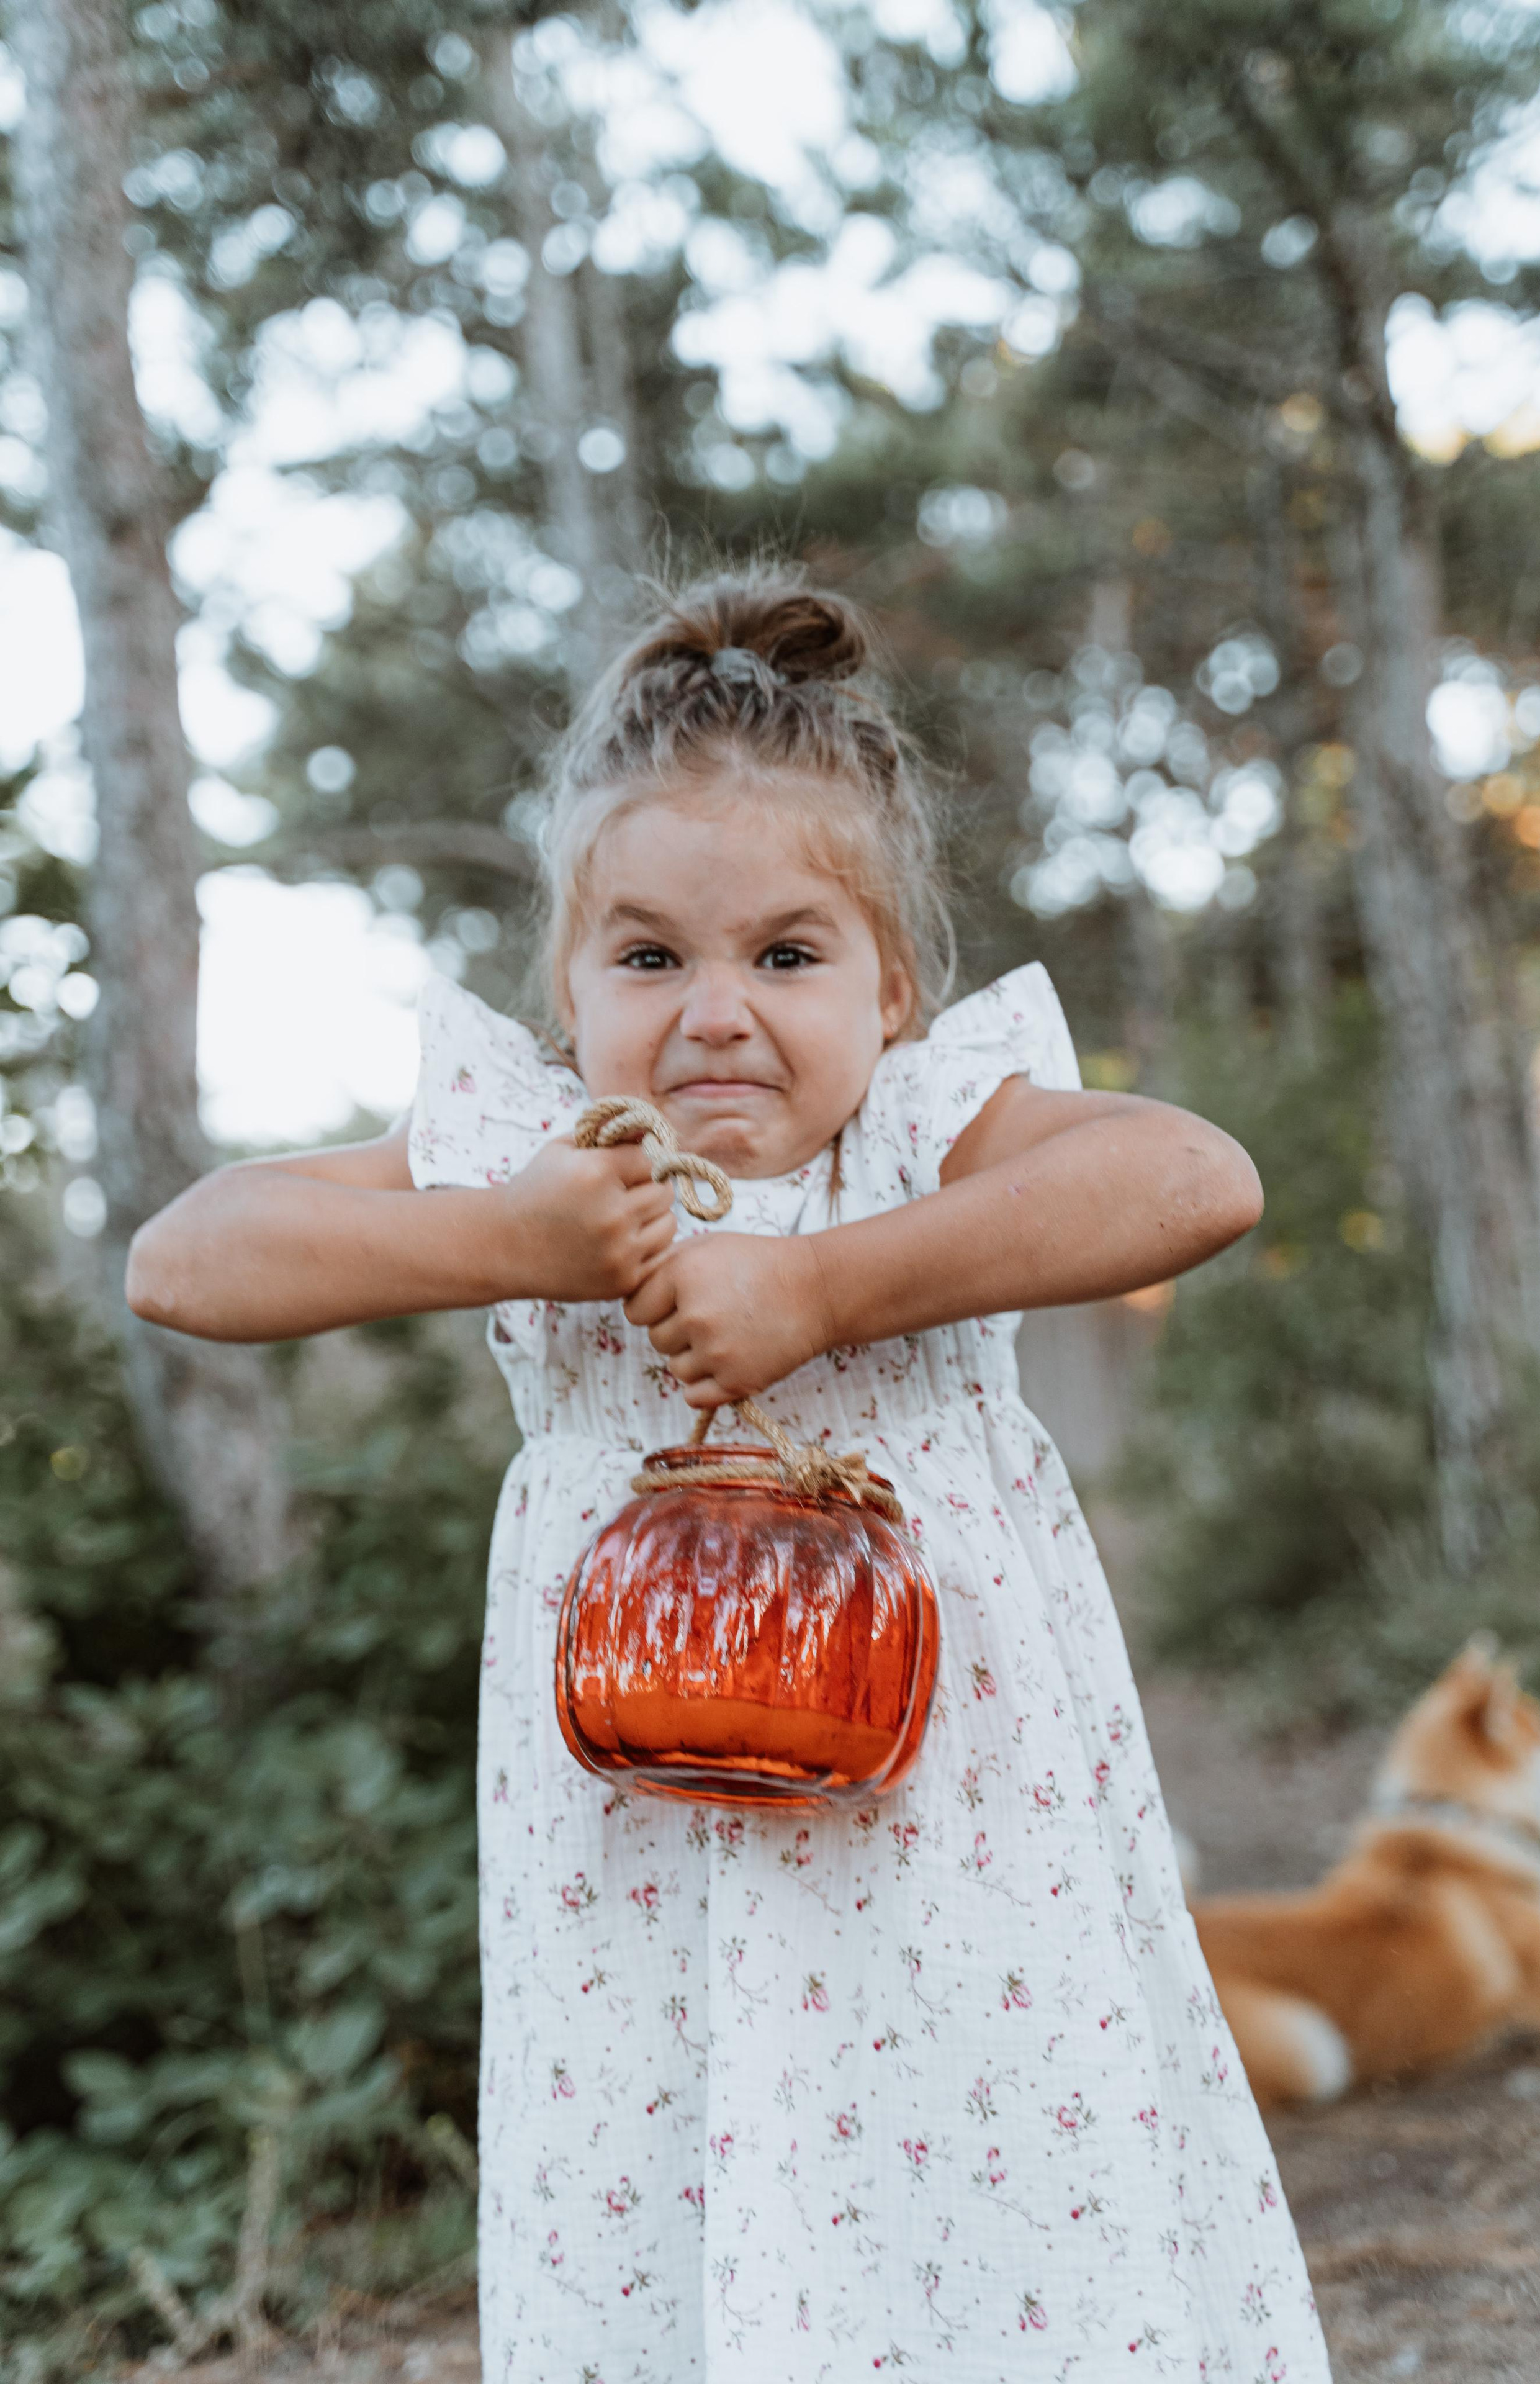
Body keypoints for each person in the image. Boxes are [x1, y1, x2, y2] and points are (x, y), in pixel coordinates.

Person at [129, 569, 1330, 2383]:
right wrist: (514, 1243)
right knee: (664, 2196)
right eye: (648, 958)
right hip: (641, 1876)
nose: (713, 1013)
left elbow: (1193, 1178)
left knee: (995, 2206)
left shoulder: (928, 1126)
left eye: (786, 954)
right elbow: (186, 1261)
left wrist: (824, 1284)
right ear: (567, 990)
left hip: (956, 1864)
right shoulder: (547, 1162)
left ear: (892, 986)